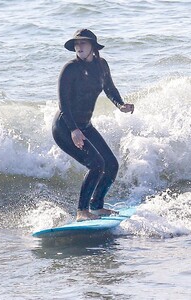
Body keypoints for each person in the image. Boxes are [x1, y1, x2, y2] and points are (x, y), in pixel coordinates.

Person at [52, 29, 134, 221]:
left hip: (85, 125)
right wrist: (73, 130)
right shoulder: (70, 69)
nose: (78, 47)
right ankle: (82, 211)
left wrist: (120, 104)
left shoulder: (102, 66)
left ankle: (96, 207)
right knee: (96, 165)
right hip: (65, 127)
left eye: (83, 43)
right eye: (76, 44)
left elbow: (110, 88)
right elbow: (63, 103)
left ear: (93, 47)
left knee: (111, 165)